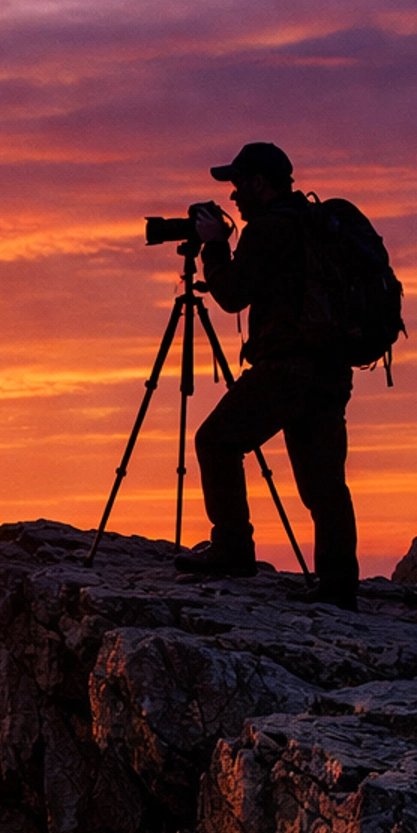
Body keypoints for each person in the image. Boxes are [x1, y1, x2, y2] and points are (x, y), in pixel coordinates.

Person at [178, 140, 359, 609]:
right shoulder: (313, 225)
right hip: (330, 370)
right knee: (324, 484)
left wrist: (215, 248)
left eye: (238, 184)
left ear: (260, 183)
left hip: (288, 367)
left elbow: (233, 295)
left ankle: (233, 548)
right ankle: (339, 587)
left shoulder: (269, 230)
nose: (234, 196)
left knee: (216, 441)